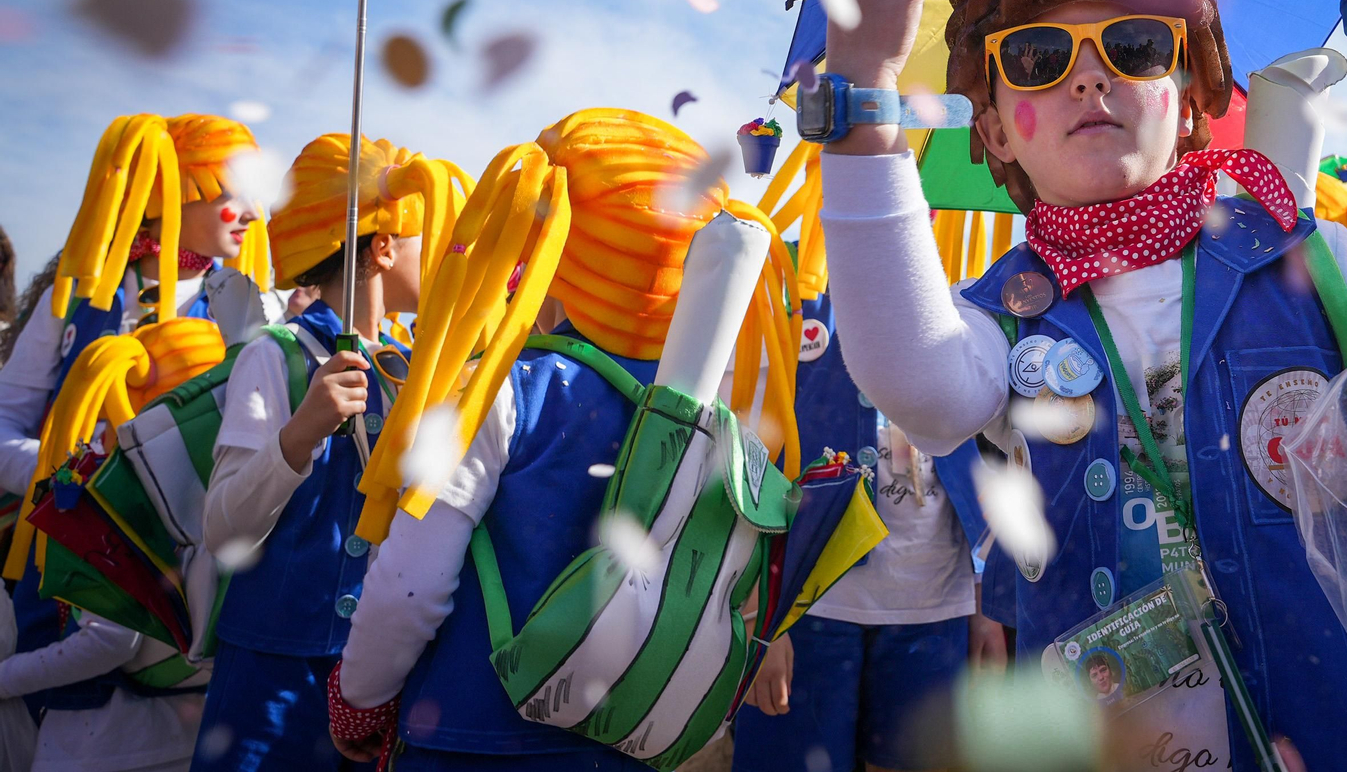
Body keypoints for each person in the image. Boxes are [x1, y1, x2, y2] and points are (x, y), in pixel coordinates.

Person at [807, 0, 1347, 768]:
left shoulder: (1313, 260)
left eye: (1136, 47)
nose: (1089, 77)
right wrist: (864, 96)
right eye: (1038, 57)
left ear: (1194, 95)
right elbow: (913, 379)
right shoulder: (1000, 318)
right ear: (993, 126)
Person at [326, 109, 797, 770]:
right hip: (623, 744)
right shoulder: (714, 418)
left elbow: (411, 582)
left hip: (472, 739)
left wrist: (359, 695)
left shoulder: (502, 389)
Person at [0, 113, 272, 770]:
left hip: (199, 653)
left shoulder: (256, 307)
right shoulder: (80, 298)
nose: (248, 212)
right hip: (72, 636)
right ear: (174, 194)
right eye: (227, 191)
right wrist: (83, 475)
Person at [193, 133, 464, 771]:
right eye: (427, 238)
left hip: (373, 684)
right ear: (384, 245)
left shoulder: (415, 369)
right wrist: (300, 432)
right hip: (269, 683)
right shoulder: (274, 356)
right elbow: (222, 526)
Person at [735, 290, 1000, 772]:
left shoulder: (957, 307)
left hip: (933, 606)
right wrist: (758, 616)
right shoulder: (786, 301)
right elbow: (744, 457)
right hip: (803, 605)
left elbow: (975, 459)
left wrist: (984, 604)